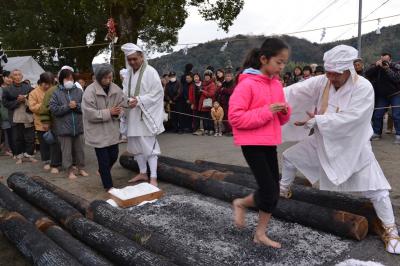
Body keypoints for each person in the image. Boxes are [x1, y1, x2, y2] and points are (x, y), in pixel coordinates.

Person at [281, 45, 400, 255]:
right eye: (328, 73)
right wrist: (268, 97)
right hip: (324, 139)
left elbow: (353, 119)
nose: (331, 77)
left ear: (349, 69)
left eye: (335, 74)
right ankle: (283, 190)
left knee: (377, 189)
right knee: (290, 158)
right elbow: (296, 91)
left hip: (354, 145)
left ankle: (391, 230)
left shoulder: (363, 87)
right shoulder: (324, 80)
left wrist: (317, 120)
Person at [229, 37, 291, 248]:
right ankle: (241, 204)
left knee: (273, 191)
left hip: (270, 141)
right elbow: (235, 118)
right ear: (264, 59)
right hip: (252, 143)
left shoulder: (277, 84)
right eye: (278, 62)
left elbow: (281, 119)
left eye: (284, 63)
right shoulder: (246, 84)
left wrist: (284, 111)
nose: (281, 67)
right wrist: (267, 111)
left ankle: (259, 233)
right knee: (270, 190)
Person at [121, 43, 165, 187]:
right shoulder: (127, 74)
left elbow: (158, 93)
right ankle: (142, 172)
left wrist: (139, 100)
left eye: (135, 59)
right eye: (130, 60)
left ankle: (153, 177)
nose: (132, 62)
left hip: (146, 115)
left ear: (141, 56)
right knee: (135, 145)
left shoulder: (151, 72)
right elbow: (125, 93)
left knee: (149, 146)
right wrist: (126, 101)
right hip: (132, 114)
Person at [82, 64, 125, 191]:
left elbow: (121, 105)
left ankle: (102, 171)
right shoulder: (89, 91)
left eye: (110, 77)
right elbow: (89, 114)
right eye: (105, 78)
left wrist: (119, 111)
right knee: (104, 160)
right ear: (99, 77)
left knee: (114, 155)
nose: (108, 80)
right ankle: (109, 186)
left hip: (111, 130)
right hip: (97, 131)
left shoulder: (116, 89)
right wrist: (109, 112)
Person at [49, 69, 88, 179]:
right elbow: (54, 109)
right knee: (66, 152)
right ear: (61, 80)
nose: (69, 81)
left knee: (80, 150)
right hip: (63, 129)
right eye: (67, 79)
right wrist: (67, 107)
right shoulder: (56, 93)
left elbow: (85, 107)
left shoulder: (79, 92)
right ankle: (69, 171)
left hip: (78, 127)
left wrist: (76, 106)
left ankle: (81, 168)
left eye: (71, 79)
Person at [2, 69, 36, 164]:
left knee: (30, 137)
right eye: (15, 75)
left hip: (27, 116)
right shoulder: (7, 90)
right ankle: (19, 156)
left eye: (19, 75)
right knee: (17, 138)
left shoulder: (28, 87)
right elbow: (5, 103)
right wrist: (17, 101)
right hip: (14, 116)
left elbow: (34, 99)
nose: (17, 77)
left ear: (22, 76)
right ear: (12, 77)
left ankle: (30, 155)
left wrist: (25, 99)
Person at [365, 52, 400, 143]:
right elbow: (367, 74)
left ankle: (399, 135)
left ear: (390, 60)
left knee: (396, 115)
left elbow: (396, 78)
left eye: (386, 60)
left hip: (395, 94)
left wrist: (387, 69)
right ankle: (376, 133)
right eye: (382, 60)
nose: (384, 62)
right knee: (377, 114)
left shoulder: (395, 66)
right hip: (382, 96)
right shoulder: (376, 66)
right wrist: (376, 66)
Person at [28, 72, 55, 170]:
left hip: (54, 122)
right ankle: (46, 161)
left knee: (55, 142)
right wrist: (45, 105)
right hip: (41, 123)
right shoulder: (34, 93)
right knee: (44, 143)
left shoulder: (54, 90)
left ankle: (55, 160)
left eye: (50, 84)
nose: (47, 86)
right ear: (41, 82)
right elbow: (32, 107)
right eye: (45, 83)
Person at [39, 77, 62, 174]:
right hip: (55, 121)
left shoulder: (76, 89)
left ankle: (71, 164)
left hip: (71, 122)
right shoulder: (52, 91)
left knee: (71, 144)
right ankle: (55, 164)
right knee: (55, 143)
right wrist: (45, 121)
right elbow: (44, 108)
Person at [198, 70, 216, 136]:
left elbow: (211, 94)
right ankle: (206, 129)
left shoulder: (212, 84)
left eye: (208, 76)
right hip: (203, 103)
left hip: (209, 103)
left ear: (210, 77)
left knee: (210, 117)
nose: (206, 78)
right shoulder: (203, 83)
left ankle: (211, 129)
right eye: (205, 76)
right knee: (204, 117)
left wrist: (202, 91)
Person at [0, 70, 13, 157]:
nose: (9, 79)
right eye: (7, 77)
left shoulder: (12, 88)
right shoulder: (1, 89)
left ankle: (10, 148)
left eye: (11, 77)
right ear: (3, 78)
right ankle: (7, 149)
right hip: (4, 114)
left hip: (13, 113)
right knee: (7, 132)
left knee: (12, 132)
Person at [219, 70, 235, 135]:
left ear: (232, 77)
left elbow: (230, 92)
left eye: (229, 76)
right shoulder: (224, 83)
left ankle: (231, 130)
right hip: (223, 102)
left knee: (229, 117)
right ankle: (227, 129)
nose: (227, 77)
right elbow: (219, 90)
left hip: (230, 102)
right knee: (224, 116)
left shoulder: (233, 84)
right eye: (226, 76)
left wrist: (224, 90)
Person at [181, 64, 194, 132]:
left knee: (187, 114)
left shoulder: (183, 75)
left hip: (186, 100)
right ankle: (190, 127)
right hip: (187, 99)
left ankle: (187, 127)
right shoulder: (191, 75)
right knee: (190, 114)